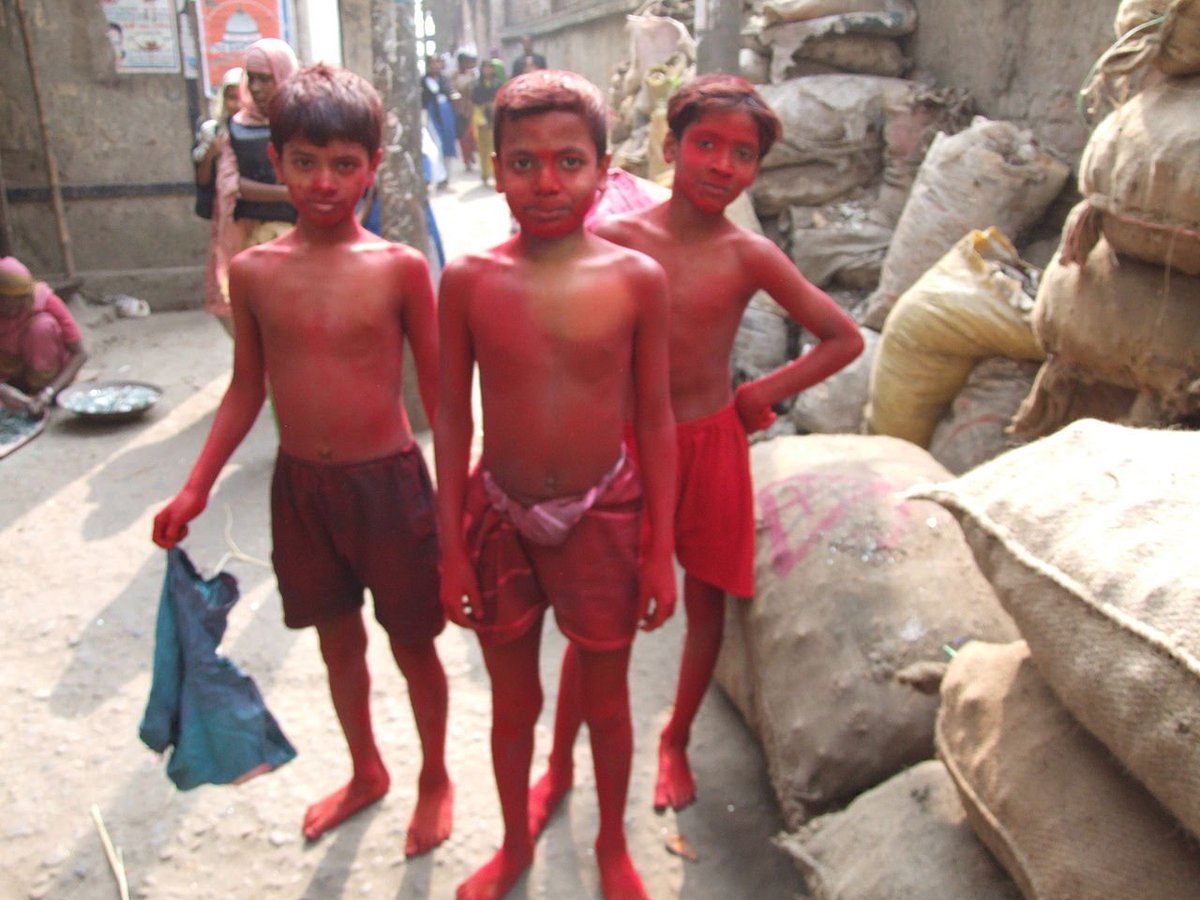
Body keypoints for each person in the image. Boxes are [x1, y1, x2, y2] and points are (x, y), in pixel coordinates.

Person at [529, 73, 865, 827]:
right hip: (622, 449)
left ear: (755, 170)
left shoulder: (750, 255)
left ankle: (675, 739)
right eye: (705, 144)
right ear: (671, 147)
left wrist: (760, 394)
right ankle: (557, 765)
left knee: (706, 600)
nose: (721, 165)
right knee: (600, 616)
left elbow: (843, 337)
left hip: (712, 443)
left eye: (741, 154)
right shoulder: (611, 239)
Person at [151, 63, 453, 854]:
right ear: (274, 161)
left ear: (373, 165)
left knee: (414, 642)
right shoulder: (253, 273)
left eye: (345, 164)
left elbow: (447, 401)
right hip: (302, 491)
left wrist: (458, 505)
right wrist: (194, 490)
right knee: (335, 640)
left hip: (389, 485)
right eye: (305, 162)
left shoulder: (399, 268)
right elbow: (246, 389)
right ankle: (367, 769)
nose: (325, 182)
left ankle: (434, 776)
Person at [435, 69, 677, 900]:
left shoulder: (635, 280)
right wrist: (449, 554)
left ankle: (612, 845)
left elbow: (653, 424)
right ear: (493, 166)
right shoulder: (468, 281)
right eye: (523, 162)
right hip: (497, 514)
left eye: (569, 162)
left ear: (604, 170)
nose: (546, 183)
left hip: (606, 513)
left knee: (607, 704)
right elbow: (453, 426)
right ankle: (512, 846)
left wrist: (659, 552)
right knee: (512, 707)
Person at [211, 38, 300, 333]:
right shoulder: (238, 127)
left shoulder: (302, 121)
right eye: (253, 78)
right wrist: (289, 194)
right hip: (250, 238)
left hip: (301, 241)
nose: (258, 87)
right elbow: (232, 185)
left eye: (266, 78)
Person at [0, 256, 87, 417]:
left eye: (18, 302)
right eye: (5, 304)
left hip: (44, 376)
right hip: (8, 377)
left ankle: (38, 390)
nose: (12, 310)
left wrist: (48, 392)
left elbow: (80, 353)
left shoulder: (44, 300)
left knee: (42, 326)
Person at [194, 67, 243, 320]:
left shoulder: (259, 128)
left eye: (241, 96)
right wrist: (213, 153)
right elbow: (202, 180)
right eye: (231, 97)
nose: (237, 103)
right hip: (223, 213)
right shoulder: (213, 132)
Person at [422, 55, 458, 187]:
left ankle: (447, 175)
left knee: (448, 143)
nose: (435, 66)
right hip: (432, 115)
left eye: (436, 63)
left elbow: (451, 94)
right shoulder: (423, 81)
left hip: (446, 115)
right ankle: (439, 177)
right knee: (437, 144)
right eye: (432, 63)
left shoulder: (444, 80)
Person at [470, 60, 504, 186]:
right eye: (485, 68)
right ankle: (485, 174)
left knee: (495, 147)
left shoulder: (498, 84)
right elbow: (475, 102)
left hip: (495, 118)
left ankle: (497, 175)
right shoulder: (477, 85)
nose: (488, 70)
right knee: (483, 148)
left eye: (490, 68)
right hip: (482, 118)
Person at [451, 51, 479, 170]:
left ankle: (472, 153)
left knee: (472, 134)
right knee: (464, 136)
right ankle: (466, 159)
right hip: (460, 108)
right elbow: (453, 90)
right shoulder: (454, 75)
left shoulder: (473, 74)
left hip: (472, 107)